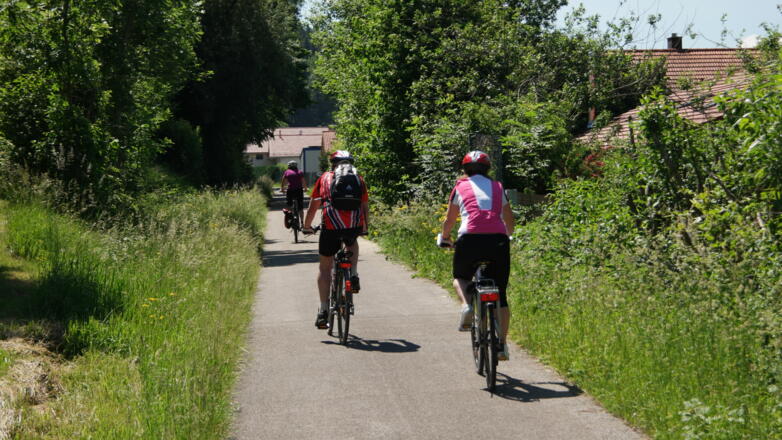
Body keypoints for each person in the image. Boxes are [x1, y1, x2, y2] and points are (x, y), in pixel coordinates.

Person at [438, 150, 515, 360]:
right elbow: (510, 222)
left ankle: (466, 306)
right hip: (497, 242)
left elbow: (450, 220)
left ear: (465, 170)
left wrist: (445, 237)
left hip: (469, 240)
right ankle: (501, 345)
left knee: (460, 277)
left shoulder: (460, 187)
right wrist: (507, 236)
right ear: (488, 169)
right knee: (501, 294)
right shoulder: (498, 187)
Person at [303, 150, 369, 329]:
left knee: (325, 268)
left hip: (331, 227)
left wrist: (307, 226)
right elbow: (364, 205)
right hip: (353, 226)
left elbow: (314, 205)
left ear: (333, 163)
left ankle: (324, 311)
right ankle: (353, 274)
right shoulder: (358, 179)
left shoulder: (324, 178)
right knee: (351, 242)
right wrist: (365, 227)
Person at [281, 160, 307, 228]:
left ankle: (290, 218)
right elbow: (303, 182)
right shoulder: (300, 172)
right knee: (300, 208)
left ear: (289, 166)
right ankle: (302, 223)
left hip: (290, 191)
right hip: (299, 191)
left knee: (289, 205)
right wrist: (305, 189)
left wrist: (282, 189)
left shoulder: (287, 172)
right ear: (296, 166)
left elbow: (284, 181)